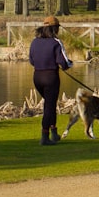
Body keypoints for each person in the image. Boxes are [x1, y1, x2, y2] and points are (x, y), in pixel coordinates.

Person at [28, 15, 73, 145]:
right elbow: (64, 63)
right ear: (55, 28)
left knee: (50, 104)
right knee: (49, 106)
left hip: (37, 77)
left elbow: (31, 60)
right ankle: (45, 136)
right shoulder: (56, 42)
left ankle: (54, 132)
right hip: (51, 77)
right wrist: (70, 64)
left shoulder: (34, 42)